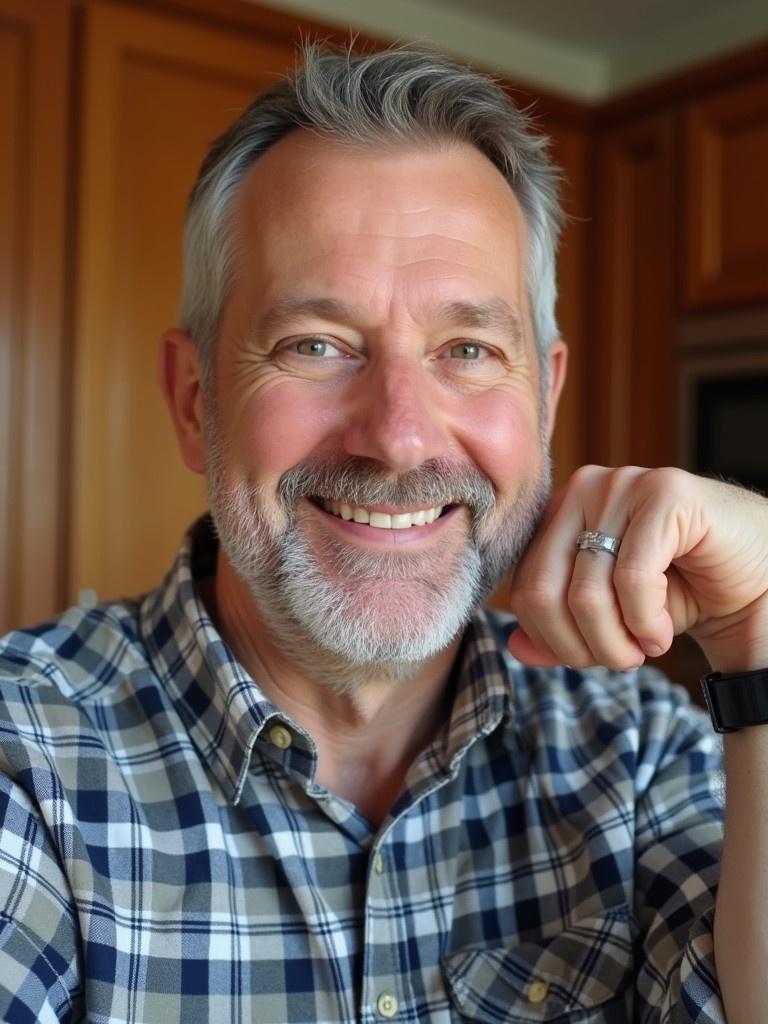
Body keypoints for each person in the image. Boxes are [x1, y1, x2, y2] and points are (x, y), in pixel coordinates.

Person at [0, 43, 766, 1024]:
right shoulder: (29, 762)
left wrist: (764, 633)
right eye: (316, 344)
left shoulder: (647, 755)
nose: (399, 435)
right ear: (196, 402)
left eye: (468, 349)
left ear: (545, 400)